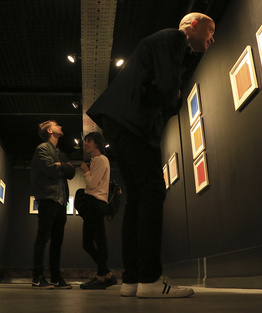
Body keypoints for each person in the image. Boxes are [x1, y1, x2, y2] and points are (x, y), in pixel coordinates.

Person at [86, 13, 215, 298]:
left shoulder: (166, 44)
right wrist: (172, 100)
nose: (212, 37)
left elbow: (166, 85)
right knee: (153, 192)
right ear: (193, 25)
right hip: (135, 123)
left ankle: (133, 280)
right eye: (210, 29)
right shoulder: (173, 37)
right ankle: (149, 278)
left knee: (137, 199)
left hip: (120, 123)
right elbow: (170, 89)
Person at [30, 120, 75, 289]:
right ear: (49, 130)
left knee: (57, 242)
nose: (61, 126)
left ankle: (56, 278)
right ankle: (37, 277)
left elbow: (71, 172)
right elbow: (50, 170)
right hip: (48, 198)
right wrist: (63, 167)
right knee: (42, 239)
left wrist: (61, 165)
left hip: (61, 201)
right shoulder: (42, 148)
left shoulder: (61, 154)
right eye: (57, 125)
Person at [78, 132, 117, 290]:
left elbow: (92, 184)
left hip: (97, 203)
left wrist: (86, 170)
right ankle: (107, 275)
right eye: (85, 141)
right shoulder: (96, 160)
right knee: (87, 243)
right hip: (92, 204)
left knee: (99, 241)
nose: (85, 144)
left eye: (88, 141)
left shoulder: (101, 160)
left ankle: (101, 278)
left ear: (97, 143)